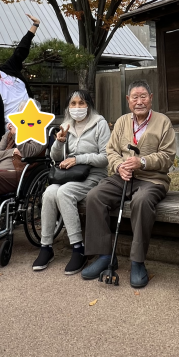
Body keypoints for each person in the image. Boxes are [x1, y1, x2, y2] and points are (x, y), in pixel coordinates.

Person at [81, 80, 176, 289]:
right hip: (123, 177)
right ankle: (106, 256)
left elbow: (168, 157)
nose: (139, 101)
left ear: (151, 98)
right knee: (94, 196)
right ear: (128, 100)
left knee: (141, 201)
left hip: (152, 179)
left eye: (143, 96)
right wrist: (118, 166)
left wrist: (142, 161)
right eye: (135, 97)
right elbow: (111, 149)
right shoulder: (123, 121)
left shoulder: (163, 122)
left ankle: (137, 261)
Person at [32, 90, 111, 274]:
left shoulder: (99, 124)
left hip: (93, 175)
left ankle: (78, 247)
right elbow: (55, 157)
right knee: (49, 193)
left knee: (64, 193)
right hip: (68, 175)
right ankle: (46, 246)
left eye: (81, 103)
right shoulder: (66, 125)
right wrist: (59, 142)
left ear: (89, 105)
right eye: (73, 104)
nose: (77, 107)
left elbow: (106, 158)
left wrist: (78, 159)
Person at [0, 13, 41, 159]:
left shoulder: (9, 69)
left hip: (34, 123)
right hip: (14, 130)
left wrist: (34, 26)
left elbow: (21, 51)